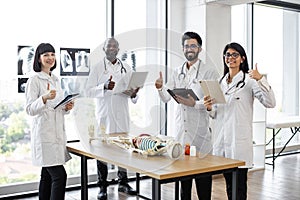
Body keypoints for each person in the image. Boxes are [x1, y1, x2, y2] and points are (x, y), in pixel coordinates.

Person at [203, 42, 276, 199]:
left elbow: (270, 103)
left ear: (242, 59)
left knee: (239, 188)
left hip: (239, 144)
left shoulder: (250, 82)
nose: (231, 58)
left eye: (235, 55)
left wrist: (261, 79)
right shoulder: (220, 82)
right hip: (222, 142)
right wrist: (209, 108)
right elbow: (216, 114)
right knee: (228, 185)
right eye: (228, 55)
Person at [155, 31, 219, 200]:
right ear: (182, 49)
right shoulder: (177, 71)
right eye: (186, 46)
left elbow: (214, 105)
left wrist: (195, 104)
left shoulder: (209, 72)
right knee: (184, 185)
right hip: (182, 134)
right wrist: (160, 88)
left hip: (200, 135)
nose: (189, 49)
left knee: (203, 184)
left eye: (193, 45)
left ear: (199, 48)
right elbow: (167, 98)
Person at [86, 37, 138, 200]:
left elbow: (134, 96)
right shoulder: (97, 68)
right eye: (109, 45)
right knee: (102, 152)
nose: (112, 48)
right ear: (104, 49)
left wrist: (134, 93)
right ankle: (102, 186)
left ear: (118, 49)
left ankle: (123, 182)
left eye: (115, 46)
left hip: (122, 115)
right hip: (104, 117)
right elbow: (88, 91)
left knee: (123, 150)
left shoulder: (127, 68)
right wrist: (104, 87)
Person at [25, 43, 74, 200]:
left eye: (52, 54)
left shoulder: (55, 79)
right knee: (59, 176)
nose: (50, 58)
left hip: (56, 133)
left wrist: (67, 106)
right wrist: (44, 98)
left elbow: (56, 107)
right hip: (45, 135)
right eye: (46, 55)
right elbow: (30, 109)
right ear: (39, 58)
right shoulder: (34, 80)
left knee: (46, 177)